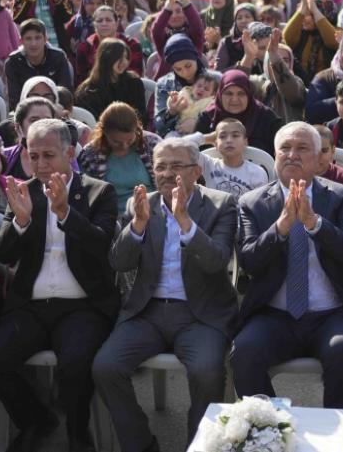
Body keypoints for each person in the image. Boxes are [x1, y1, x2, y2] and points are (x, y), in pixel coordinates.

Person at [0, 119, 119, 452]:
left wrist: (66, 213)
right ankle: (37, 421)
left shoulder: (99, 191)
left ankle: (77, 432)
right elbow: (3, 253)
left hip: (83, 304)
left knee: (75, 364)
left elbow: (102, 247)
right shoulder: (24, 191)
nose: (41, 164)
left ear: (69, 153)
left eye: (49, 155)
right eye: (34, 155)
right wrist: (21, 222)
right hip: (31, 303)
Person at [93, 137, 239, 452]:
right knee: (105, 367)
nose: (167, 173)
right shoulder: (142, 204)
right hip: (147, 312)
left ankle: (198, 446)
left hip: (200, 314)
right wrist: (138, 225)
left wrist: (185, 221)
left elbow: (216, 261)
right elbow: (119, 262)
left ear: (196, 171)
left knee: (207, 371)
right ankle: (141, 445)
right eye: (160, 166)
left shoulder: (221, 204)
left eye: (176, 165)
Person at [230, 121, 343, 409]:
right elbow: (250, 261)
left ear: (318, 159)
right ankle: (272, 429)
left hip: (332, 312)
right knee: (244, 351)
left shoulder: (338, 196)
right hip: (275, 314)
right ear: (275, 155)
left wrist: (314, 223)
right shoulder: (252, 202)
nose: (292, 154)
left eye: (302, 148)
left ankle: (339, 440)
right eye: (285, 148)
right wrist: (281, 227)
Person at [78, 102, 159, 215]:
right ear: (104, 133)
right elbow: (89, 194)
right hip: (111, 216)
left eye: (129, 140)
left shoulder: (152, 145)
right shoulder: (91, 154)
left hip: (152, 211)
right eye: (116, 142)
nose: (124, 146)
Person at [195, 69, 283, 156]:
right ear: (220, 95)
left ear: (248, 95)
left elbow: (281, 150)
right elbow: (190, 150)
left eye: (241, 94)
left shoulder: (266, 117)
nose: (234, 99)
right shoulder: (208, 117)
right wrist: (206, 138)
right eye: (229, 93)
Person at [3, 19, 74, 109]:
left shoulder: (58, 57)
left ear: (45, 39)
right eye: (28, 39)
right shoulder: (12, 62)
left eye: (38, 38)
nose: (33, 43)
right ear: (21, 41)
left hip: (56, 110)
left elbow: (65, 93)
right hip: (26, 112)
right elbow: (15, 99)